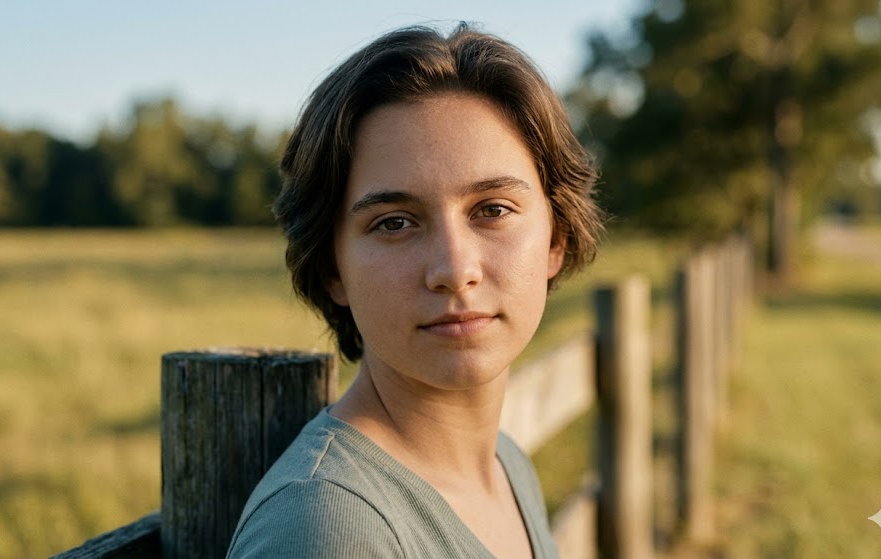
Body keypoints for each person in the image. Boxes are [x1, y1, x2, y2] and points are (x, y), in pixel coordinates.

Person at [225, 22, 603, 559]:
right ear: (332, 268)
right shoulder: (328, 529)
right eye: (394, 223)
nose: (452, 269)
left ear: (555, 239)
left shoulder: (506, 464)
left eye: (492, 210)